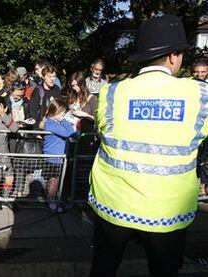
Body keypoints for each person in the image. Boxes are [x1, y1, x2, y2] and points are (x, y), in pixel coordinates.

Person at [89, 14, 208, 277]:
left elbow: (103, 130)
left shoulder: (111, 92)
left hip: (114, 203)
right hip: (168, 208)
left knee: (103, 269)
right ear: (173, 56)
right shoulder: (200, 95)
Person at [43, 100, 76, 211]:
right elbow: (69, 132)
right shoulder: (51, 123)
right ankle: (51, 202)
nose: (63, 114)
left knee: (53, 180)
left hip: (56, 156)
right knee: (54, 180)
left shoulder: (52, 122)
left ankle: (50, 199)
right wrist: (65, 121)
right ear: (56, 111)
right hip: (54, 157)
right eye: (62, 112)